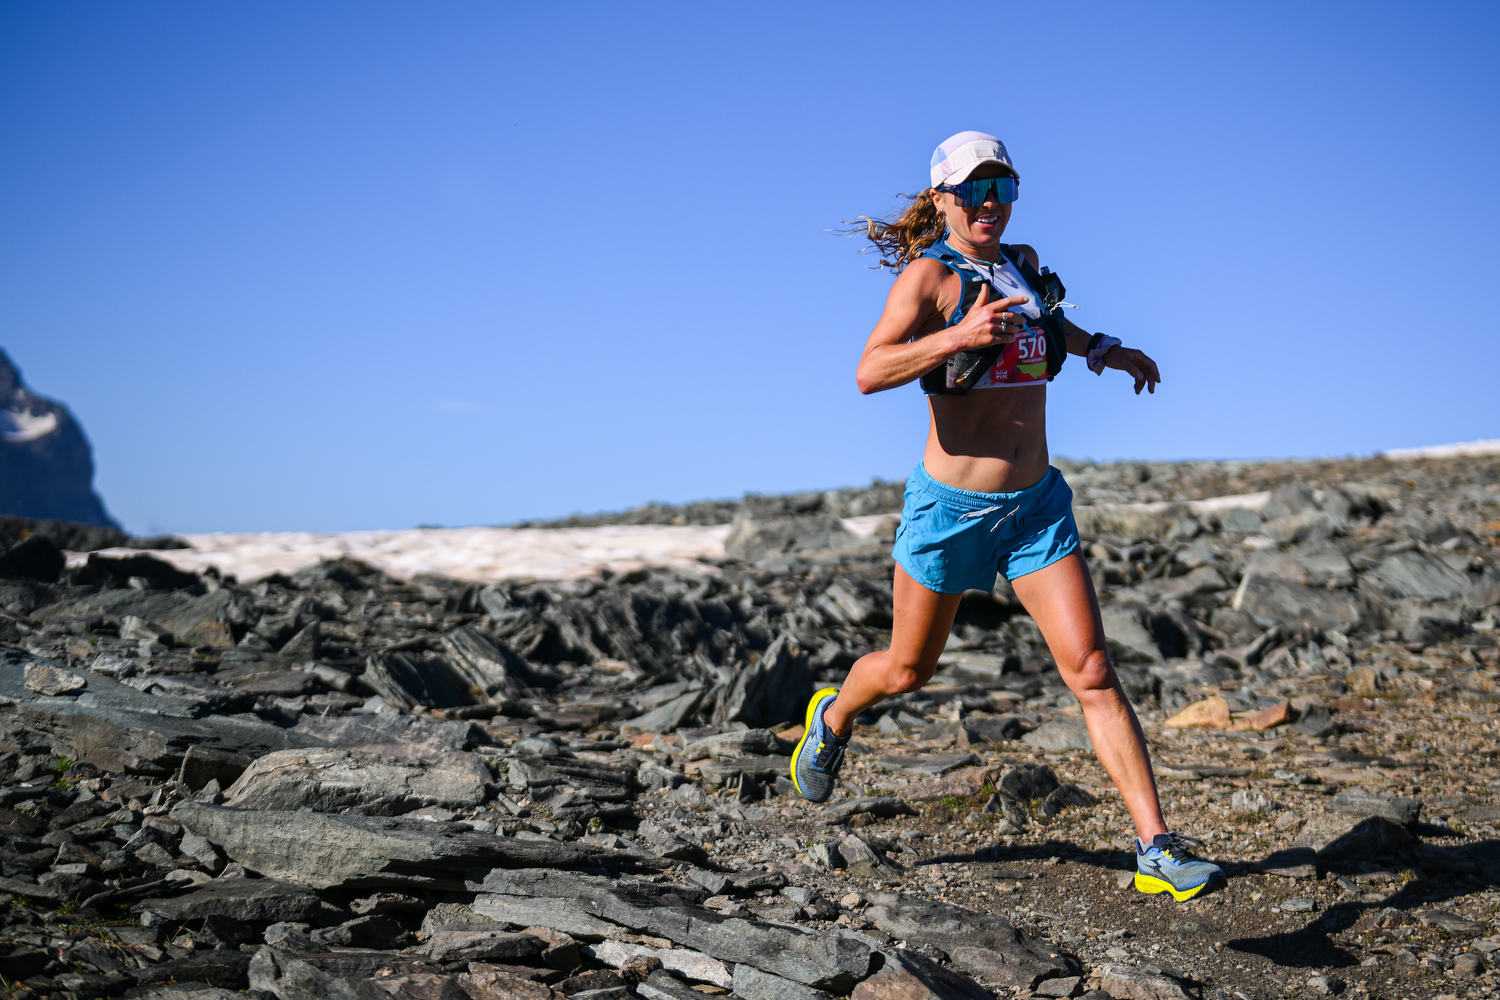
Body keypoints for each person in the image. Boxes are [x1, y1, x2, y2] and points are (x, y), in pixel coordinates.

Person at [789, 131, 1224, 902]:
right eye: (974, 191)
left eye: (1003, 189)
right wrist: (955, 336)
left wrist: (1105, 350)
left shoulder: (1021, 263)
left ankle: (1156, 849)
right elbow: (868, 371)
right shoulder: (929, 279)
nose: (990, 204)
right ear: (942, 199)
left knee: (1091, 670)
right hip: (950, 512)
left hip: (1034, 509)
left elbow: (1051, 329)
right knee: (907, 670)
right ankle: (832, 719)